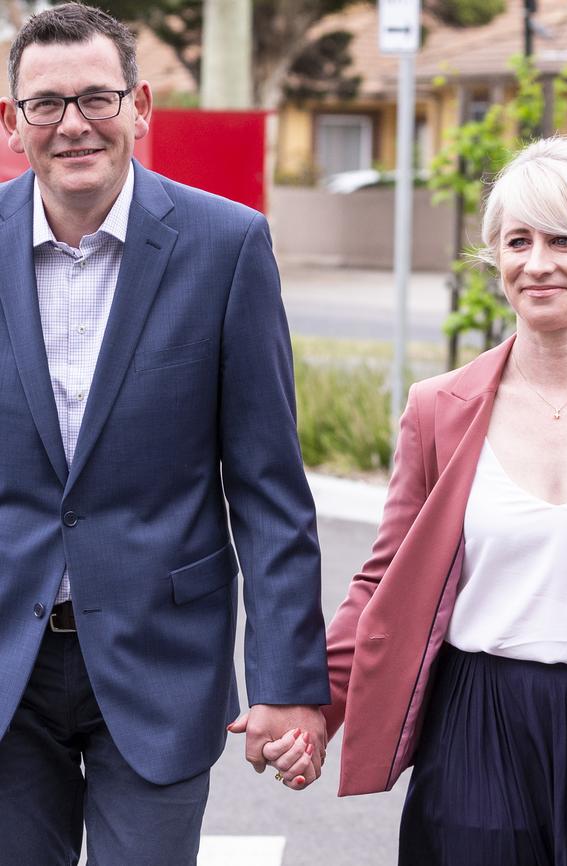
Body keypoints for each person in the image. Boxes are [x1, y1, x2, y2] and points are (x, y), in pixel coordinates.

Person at [0, 3, 329, 864]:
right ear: (12, 122)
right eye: (46, 104)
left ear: (140, 106)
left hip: (159, 666)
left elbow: (267, 490)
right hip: (6, 671)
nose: (74, 124)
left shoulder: (227, 247)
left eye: (97, 98)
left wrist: (290, 685)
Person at [317, 136, 567, 864]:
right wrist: (317, 709)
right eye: (517, 241)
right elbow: (382, 581)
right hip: (477, 722)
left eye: (563, 239)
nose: (537, 263)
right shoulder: (441, 407)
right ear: (494, 256)